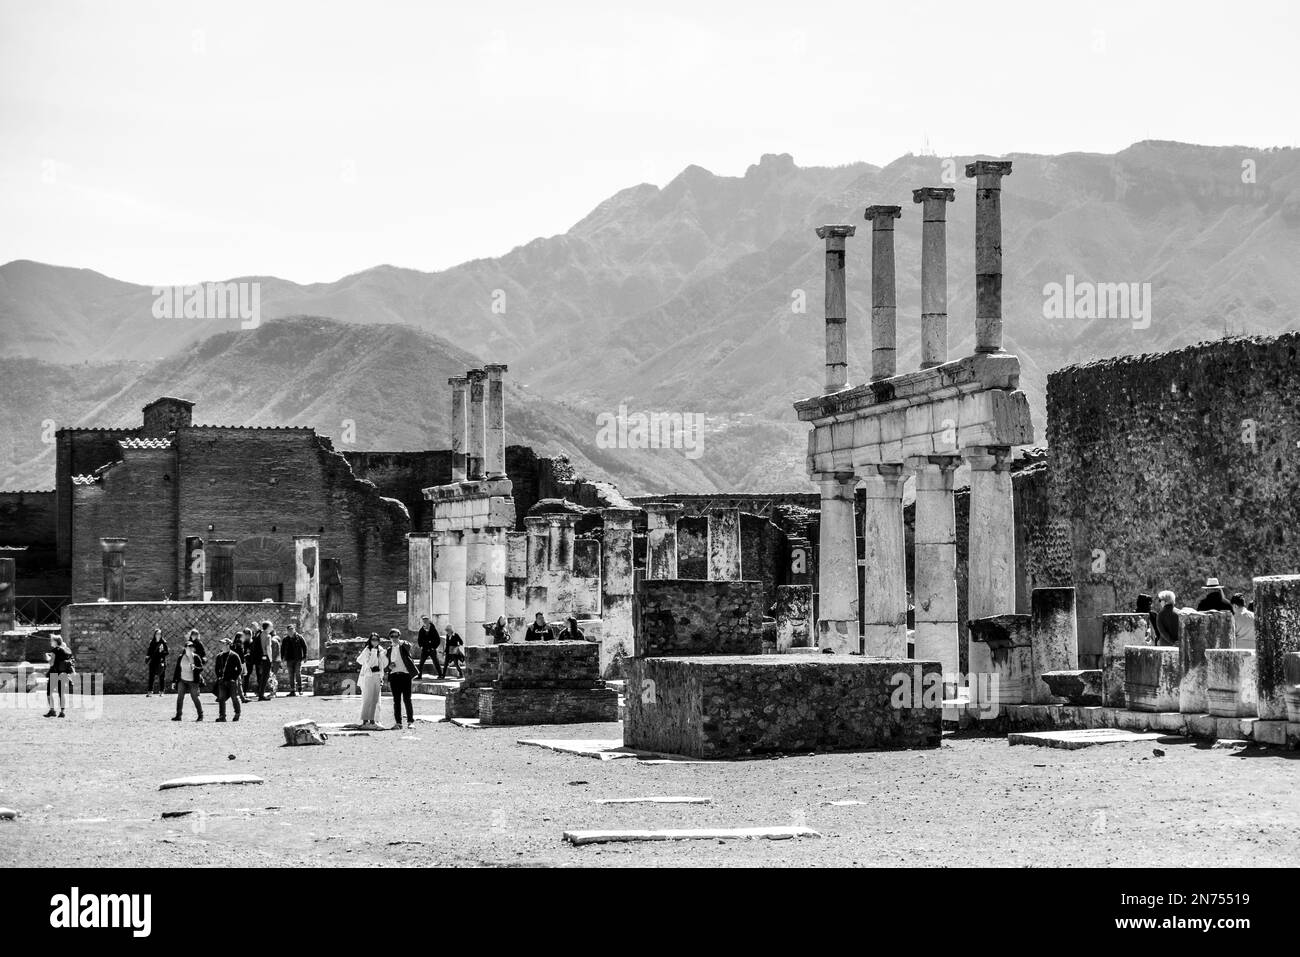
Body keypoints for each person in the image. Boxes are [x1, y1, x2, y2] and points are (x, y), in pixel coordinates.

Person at [385, 628, 418, 730]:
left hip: (405, 675)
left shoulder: (403, 646)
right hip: (394, 676)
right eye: (392, 636)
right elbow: (385, 665)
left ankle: (410, 722)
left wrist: (400, 642)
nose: (394, 638)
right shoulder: (388, 650)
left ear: (399, 636)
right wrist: (388, 667)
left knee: (407, 699)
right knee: (396, 701)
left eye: (396, 636)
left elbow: (409, 645)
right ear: (389, 638)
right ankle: (398, 723)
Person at [171, 635, 205, 721]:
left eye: (191, 647)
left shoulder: (196, 657)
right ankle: (178, 715)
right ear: (185, 648)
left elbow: (201, 668)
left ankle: (200, 715)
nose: (190, 648)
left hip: (193, 681)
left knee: (195, 698)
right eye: (188, 647)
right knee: (180, 697)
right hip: (182, 680)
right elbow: (177, 670)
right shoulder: (181, 657)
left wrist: (195, 668)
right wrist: (174, 681)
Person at [356, 633, 385, 729]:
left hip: (377, 676)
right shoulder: (367, 650)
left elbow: (382, 665)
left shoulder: (381, 650)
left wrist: (381, 677)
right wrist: (373, 652)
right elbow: (364, 662)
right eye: (373, 639)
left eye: (376, 639)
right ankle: (365, 720)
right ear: (370, 640)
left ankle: (374, 720)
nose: (375, 641)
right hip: (368, 676)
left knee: (376, 699)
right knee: (367, 698)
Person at [44, 634, 75, 718]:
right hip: (63, 674)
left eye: (51, 640)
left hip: (54, 673)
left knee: (49, 693)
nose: (50, 642)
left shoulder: (54, 650)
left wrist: (47, 658)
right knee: (61, 693)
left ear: (55, 641)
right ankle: (62, 712)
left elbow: (51, 663)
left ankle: (52, 710)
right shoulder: (65, 650)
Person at [213, 636, 243, 722]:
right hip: (222, 681)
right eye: (221, 644)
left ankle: (237, 713)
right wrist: (219, 677)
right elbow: (216, 668)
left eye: (223, 644)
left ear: (228, 645)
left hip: (232, 681)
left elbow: (239, 669)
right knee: (221, 698)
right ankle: (222, 716)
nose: (221, 645)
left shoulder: (234, 655)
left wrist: (234, 678)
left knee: (234, 697)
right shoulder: (219, 656)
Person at [249, 621, 274, 701]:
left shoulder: (259, 634)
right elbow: (268, 648)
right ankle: (261, 695)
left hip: (260, 658)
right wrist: (271, 659)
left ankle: (260, 694)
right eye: (271, 626)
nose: (272, 627)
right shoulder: (268, 636)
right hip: (266, 657)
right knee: (265, 676)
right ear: (267, 627)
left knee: (262, 677)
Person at [281, 623, 308, 696]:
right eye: (289, 630)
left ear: (294, 630)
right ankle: (292, 690)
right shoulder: (285, 639)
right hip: (289, 659)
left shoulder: (299, 637)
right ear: (287, 631)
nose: (290, 632)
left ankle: (300, 689)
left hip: (297, 659)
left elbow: (304, 647)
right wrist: (282, 658)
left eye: (291, 630)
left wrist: (305, 656)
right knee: (290, 675)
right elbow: (282, 649)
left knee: (298, 674)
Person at [145, 628, 168, 697]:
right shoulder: (152, 642)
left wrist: (162, 652)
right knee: (151, 677)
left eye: (159, 634)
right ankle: (150, 692)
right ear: (154, 635)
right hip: (153, 661)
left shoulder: (163, 642)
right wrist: (147, 657)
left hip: (161, 661)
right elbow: (149, 651)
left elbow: (167, 652)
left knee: (161, 677)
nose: (158, 635)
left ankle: (161, 691)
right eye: (157, 634)